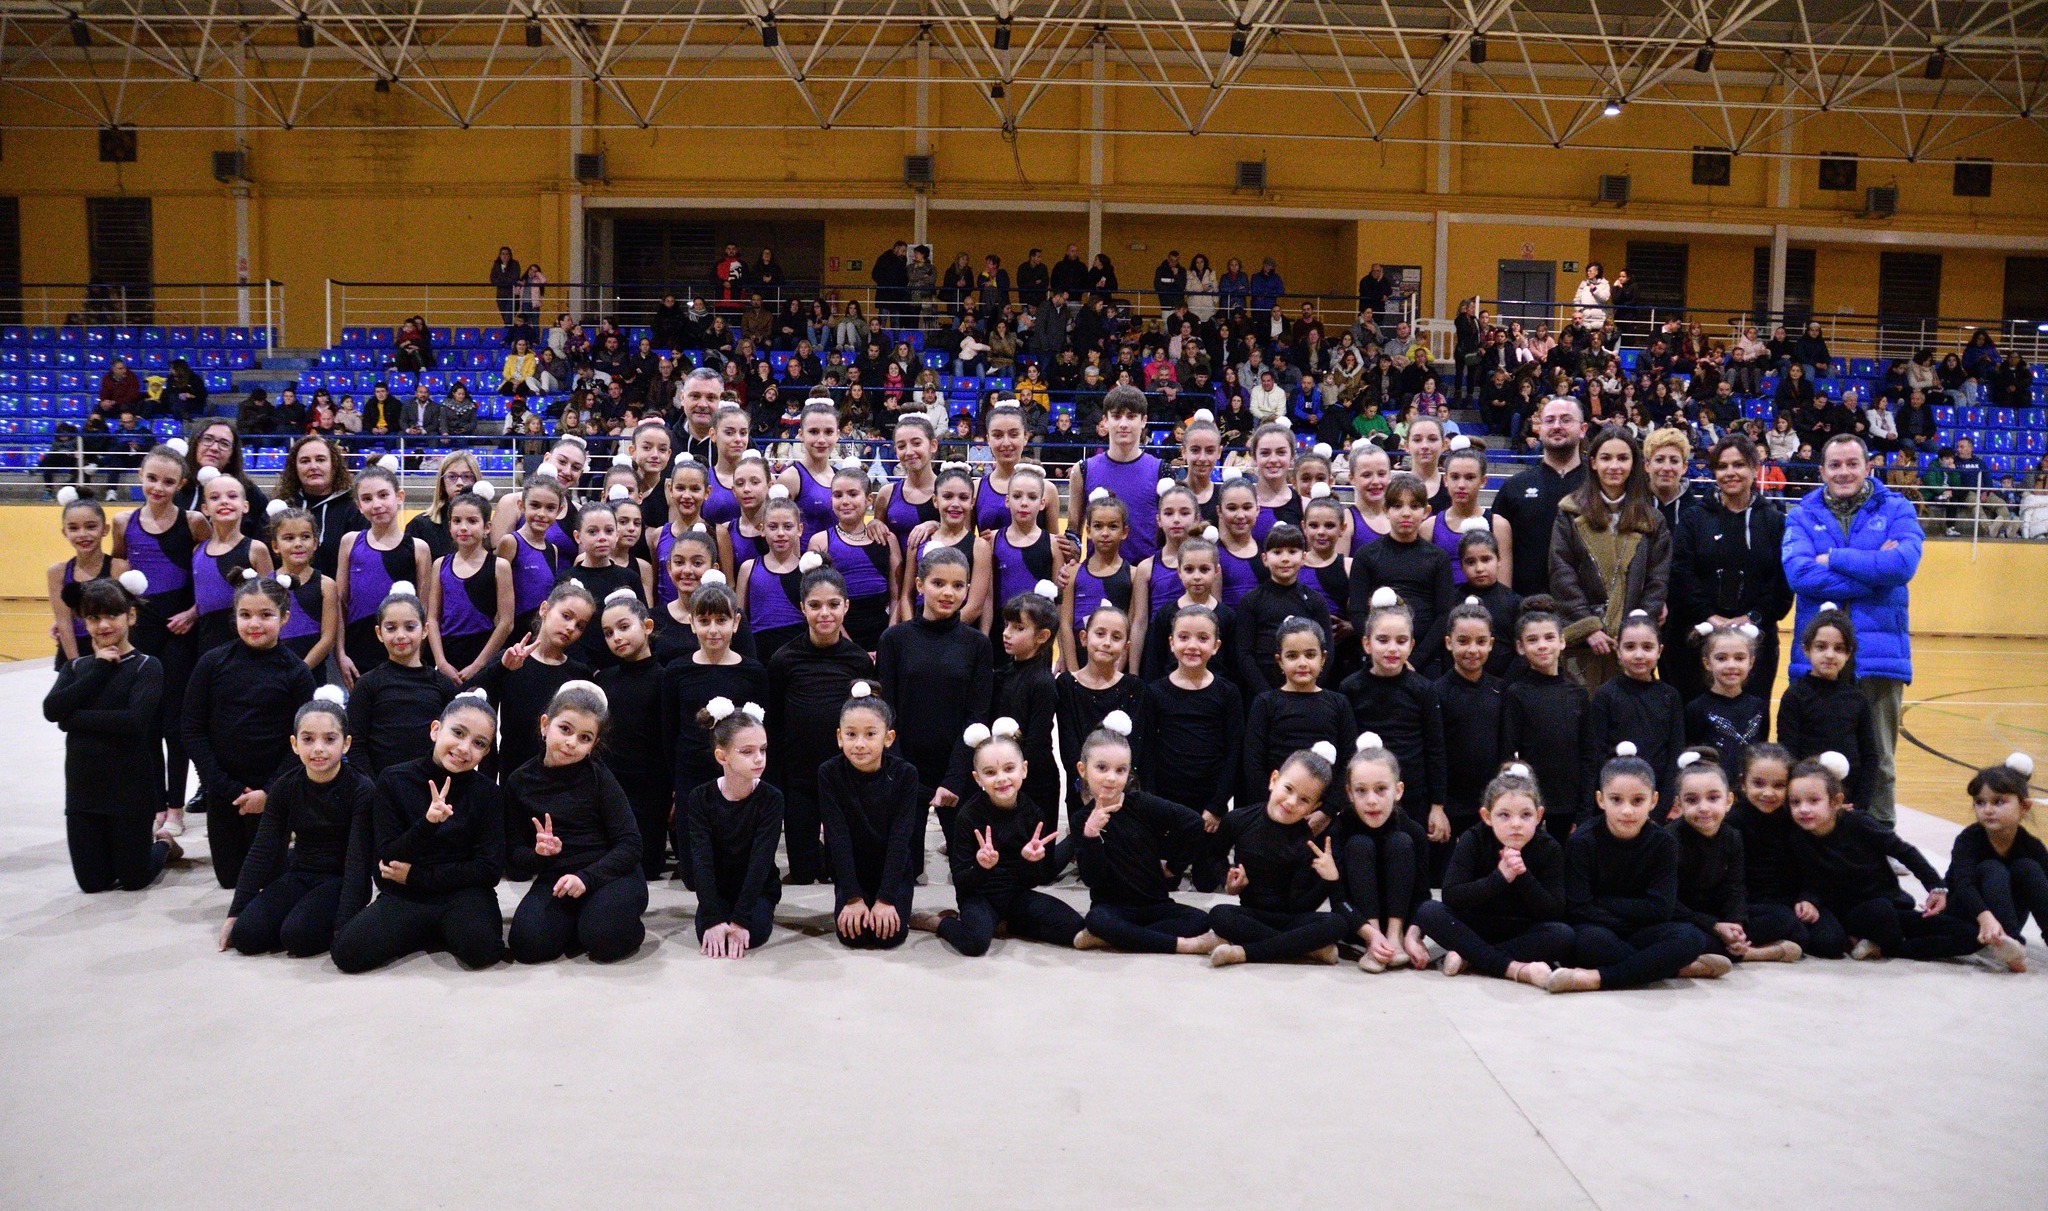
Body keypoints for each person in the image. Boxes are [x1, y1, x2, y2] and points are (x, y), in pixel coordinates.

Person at [1780, 434, 1920, 829]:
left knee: (1879, 758)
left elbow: (1903, 566)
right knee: (1813, 757)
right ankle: (1810, 836)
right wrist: (1875, 571)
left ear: (1867, 468)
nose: (1844, 472)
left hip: (1879, 655)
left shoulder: (1897, 507)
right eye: (1835, 465)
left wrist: (1836, 559)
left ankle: (1879, 836)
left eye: (1852, 464)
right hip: (1817, 657)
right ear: (1821, 470)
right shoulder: (1801, 514)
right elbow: (1800, 574)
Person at [330, 694, 506, 973]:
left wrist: (417, 875)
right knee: (347, 955)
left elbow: (488, 870)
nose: (464, 747)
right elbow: (388, 858)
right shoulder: (394, 779)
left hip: (460, 893)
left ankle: (439, 927)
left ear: (485, 753)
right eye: (458, 733)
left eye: (479, 743)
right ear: (436, 729)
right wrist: (427, 824)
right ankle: (429, 928)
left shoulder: (488, 793)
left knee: (483, 951)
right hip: (406, 894)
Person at [1546, 744, 1725, 993]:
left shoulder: (1663, 843)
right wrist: (1633, 909)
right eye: (1616, 800)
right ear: (1601, 800)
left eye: (1638, 800)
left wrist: (1604, 901)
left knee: (1691, 938)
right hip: (1599, 931)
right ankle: (1673, 968)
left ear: (1653, 801)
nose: (1627, 810)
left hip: (1643, 930)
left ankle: (1597, 979)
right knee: (1588, 943)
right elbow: (1578, 908)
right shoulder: (1582, 841)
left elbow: (1661, 909)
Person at [182, 575, 319, 890]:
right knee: (230, 879)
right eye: (245, 615)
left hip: (272, 791)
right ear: (235, 617)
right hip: (224, 789)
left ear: (284, 617)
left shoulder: (296, 672)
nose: (254, 623)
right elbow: (191, 728)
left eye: (266, 615)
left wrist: (269, 791)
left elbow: (304, 740)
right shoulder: (213, 663)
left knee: (269, 878)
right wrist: (224, 786)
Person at [45, 572, 177, 892]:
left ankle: (164, 845)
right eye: (93, 617)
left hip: (130, 792)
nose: (103, 625)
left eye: (112, 615)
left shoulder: (147, 666)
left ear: (130, 616)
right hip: (83, 793)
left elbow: (132, 724)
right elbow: (51, 710)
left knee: (134, 880)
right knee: (93, 884)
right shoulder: (76, 668)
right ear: (83, 621)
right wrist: (100, 667)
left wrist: (72, 720)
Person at [1785, 752, 1985, 964]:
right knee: (1863, 922)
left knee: (1973, 936)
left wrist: (1936, 886)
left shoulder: (1859, 823)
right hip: (1851, 914)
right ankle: (1885, 943)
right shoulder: (1798, 837)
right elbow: (1809, 880)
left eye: (1814, 801)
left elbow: (1904, 851)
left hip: (1889, 905)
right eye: (1795, 802)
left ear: (1836, 802)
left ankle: (1884, 945)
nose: (1803, 809)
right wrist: (1809, 900)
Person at [219, 692, 376, 957]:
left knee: (297, 936)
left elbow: (358, 861)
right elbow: (262, 850)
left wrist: (344, 923)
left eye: (329, 739)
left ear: (346, 744)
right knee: (245, 936)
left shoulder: (361, 789)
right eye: (308, 739)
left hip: (341, 879)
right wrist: (235, 912)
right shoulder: (284, 787)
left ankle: (307, 919)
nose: (318, 748)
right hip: (300, 872)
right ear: (294, 744)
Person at [502, 680, 645, 963]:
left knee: (603, 939)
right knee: (527, 946)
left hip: (610, 872)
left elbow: (630, 844)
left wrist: (587, 878)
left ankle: (603, 918)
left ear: (593, 745)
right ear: (545, 725)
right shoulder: (519, 782)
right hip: (557, 878)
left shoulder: (599, 777)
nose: (571, 743)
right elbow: (514, 853)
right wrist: (539, 855)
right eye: (565, 729)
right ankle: (584, 919)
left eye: (584, 738)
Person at [1069, 717, 1221, 956]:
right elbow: (1091, 878)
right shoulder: (1081, 820)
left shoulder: (1142, 803)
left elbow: (1192, 823)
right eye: (1101, 768)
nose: (1111, 777)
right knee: (1098, 920)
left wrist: (1174, 865)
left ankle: (1118, 938)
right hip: (1112, 906)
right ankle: (1183, 945)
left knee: (1203, 919)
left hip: (1153, 904)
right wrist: (1091, 834)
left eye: (1120, 770)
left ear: (1129, 772)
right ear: (1083, 770)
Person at [1415, 765, 1573, 986]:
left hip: (1520, 929)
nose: (1516, 824)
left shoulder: (1549, 848)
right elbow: (1452, 895)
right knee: (1428, 911)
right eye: (1504, 815)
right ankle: (1514, 968)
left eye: (1526, 815)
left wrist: (1522, 875)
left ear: (1538, 816)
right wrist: (1499, 878)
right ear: (1487, 816)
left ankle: (1470, 958)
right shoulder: (1473, 839)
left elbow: (1554, 910)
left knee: (1563, 935)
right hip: (1477, 924)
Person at [1549, 425, 1670, 690]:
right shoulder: (1569, 512)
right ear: (1592, 462)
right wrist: (1589, 627)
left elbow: (1657, 581)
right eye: (1606, 458)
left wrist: (1634, 631)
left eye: (1623, 458)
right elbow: (1562, 573)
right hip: (1582, 644)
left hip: (1630, 648)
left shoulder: (1652, 520)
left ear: (1634, 464)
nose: (1614, 466)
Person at [1208, 743, 1348, 967]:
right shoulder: (1238, 819)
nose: (1291, 802)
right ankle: (1305, 948)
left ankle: (1244, 952)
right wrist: (1227, 879)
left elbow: (1301, 906)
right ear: (1274, 780)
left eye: (1304, 800)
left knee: (1337, 923)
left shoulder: (1310, 841)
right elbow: (1213, 856)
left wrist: (1328, 879)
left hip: (1291, 918)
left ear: (1314, 807)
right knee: (1219, 914)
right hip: (1251, 914)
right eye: (1288, 789)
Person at [1667, 749, 1805, 965]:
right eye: (1692, 800)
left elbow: (1735, 887)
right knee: (1685, 938)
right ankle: (1753, 953)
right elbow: (1668, 903)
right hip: (1684, 917)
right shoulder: (1668, 840)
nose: (1704, 808)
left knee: (1784, 919)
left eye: (1713, 798)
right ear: (1678, 805)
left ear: (1729, 800)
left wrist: (1735, 925)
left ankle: (1731, 948)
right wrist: (1715, 926)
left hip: (1715, 914)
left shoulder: (1732, 836)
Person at [819, 685, 924, 949]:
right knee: (852, 936)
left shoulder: (905, 774)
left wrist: (886, 898)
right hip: (852, 870)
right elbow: (837, 837)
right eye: (851, 735)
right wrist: (853, 897)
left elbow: (901, 838)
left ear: (888, 738)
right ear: (839, 737)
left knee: (888, 936)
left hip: (892, 870)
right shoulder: (829, 773)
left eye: (870, 734)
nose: (860, 744)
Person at [1942, 754, 2044, 964]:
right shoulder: (1968, 840)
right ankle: (2011, 944)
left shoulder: (2031, 846)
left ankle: (2010, 943)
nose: (1988, 810)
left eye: (1998, 802)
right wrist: (1985, 917)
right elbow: (1964, 885)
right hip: (1966, 915)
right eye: (1980, 802)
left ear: (2024, 807)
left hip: (2004, 919)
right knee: (1992, 868)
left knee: (2029, 868)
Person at [1489, 395, 1587, 597]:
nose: (1557, 426)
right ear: (1540, 429)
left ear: (1583, 429)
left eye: (1566, 420)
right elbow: (1496, 554)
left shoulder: (1599, 485)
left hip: (1589, 610)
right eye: (1550, 420)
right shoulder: (1514, 488)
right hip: (1527, 609)